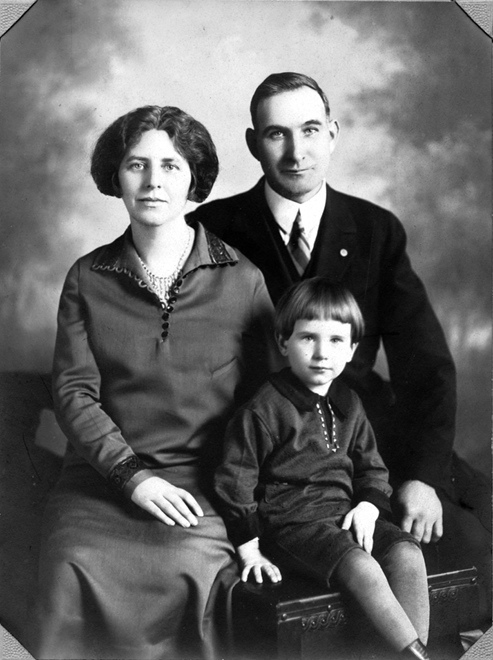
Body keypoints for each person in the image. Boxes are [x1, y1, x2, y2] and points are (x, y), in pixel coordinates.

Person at [189, 72, 491, 625]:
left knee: (474, 534)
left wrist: (421, 475)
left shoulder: (375, 229)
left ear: (332, 133)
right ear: (254, 143)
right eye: (276, 134)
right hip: (269, 449)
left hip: (369, 437)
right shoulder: (211, 229)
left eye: (309, 130)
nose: (296, 151)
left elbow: (425, 365)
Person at [33, 105, 278, 660]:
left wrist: (243, 487)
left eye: (170, 165)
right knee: (68, 563)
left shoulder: (242, 279)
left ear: (194, 177)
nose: (152, 182)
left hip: (207, 483)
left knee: (187, 569)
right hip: (101, 481)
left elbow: (270, 398)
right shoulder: (86, 276)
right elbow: (73, 392)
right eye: (136, 165)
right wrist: (133, 477)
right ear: (114, 177)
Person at [215, 278, 431, 660]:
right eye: (307, 338)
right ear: (284, 342)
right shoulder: (264, 408)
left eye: (335, 340)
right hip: (293, 525)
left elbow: (371, 469)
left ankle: (417, 652)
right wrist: (250, 551)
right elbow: (235, 481)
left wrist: (367, 506)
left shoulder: (349, 402)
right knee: (361, 566)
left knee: (406, 552)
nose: (321, 353)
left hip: (345, 516)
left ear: (351, 350)